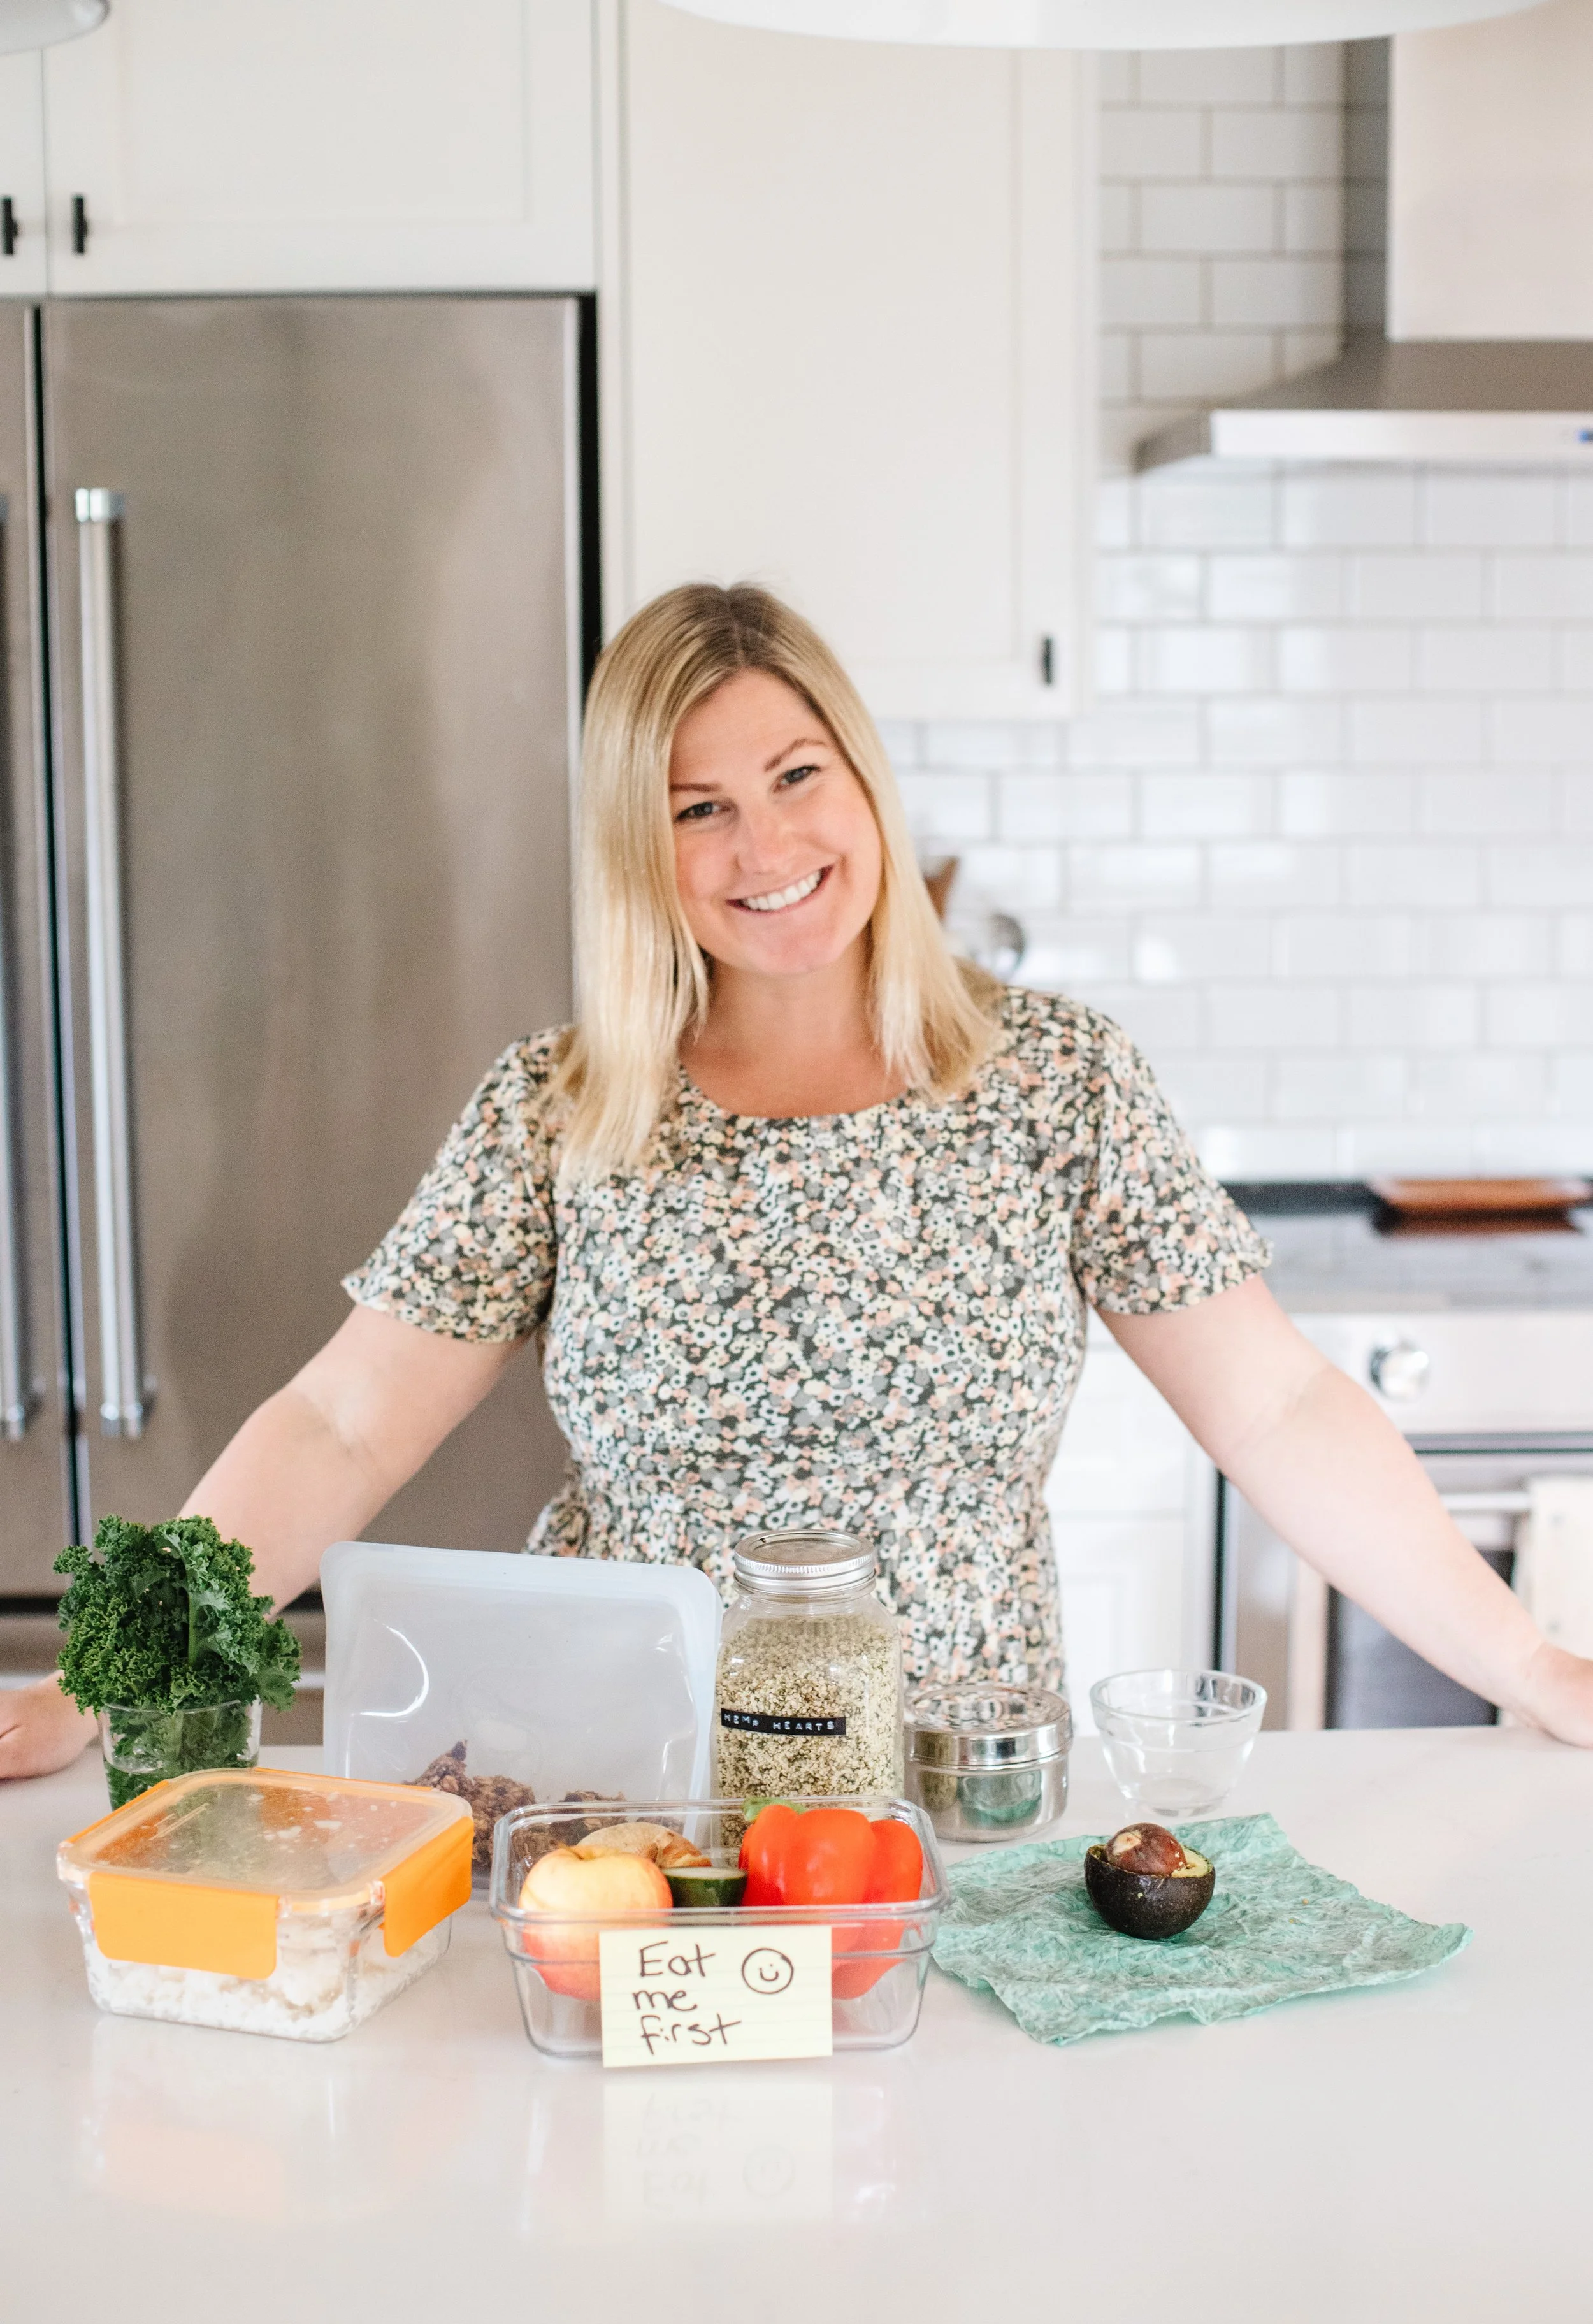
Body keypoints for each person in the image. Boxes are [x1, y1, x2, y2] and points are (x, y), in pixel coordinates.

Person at [5, 582, 1592, 1778]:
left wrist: (1526, 1662)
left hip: (950, 1795)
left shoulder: (1052, 1082)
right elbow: (341, 1425)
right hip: (629, 1797)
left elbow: (1276, 1411)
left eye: (793, 774)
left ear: (864, 781)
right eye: (696, 807)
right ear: (642, 844)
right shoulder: (564, 1113)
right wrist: (109, 1674)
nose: (762, 842)